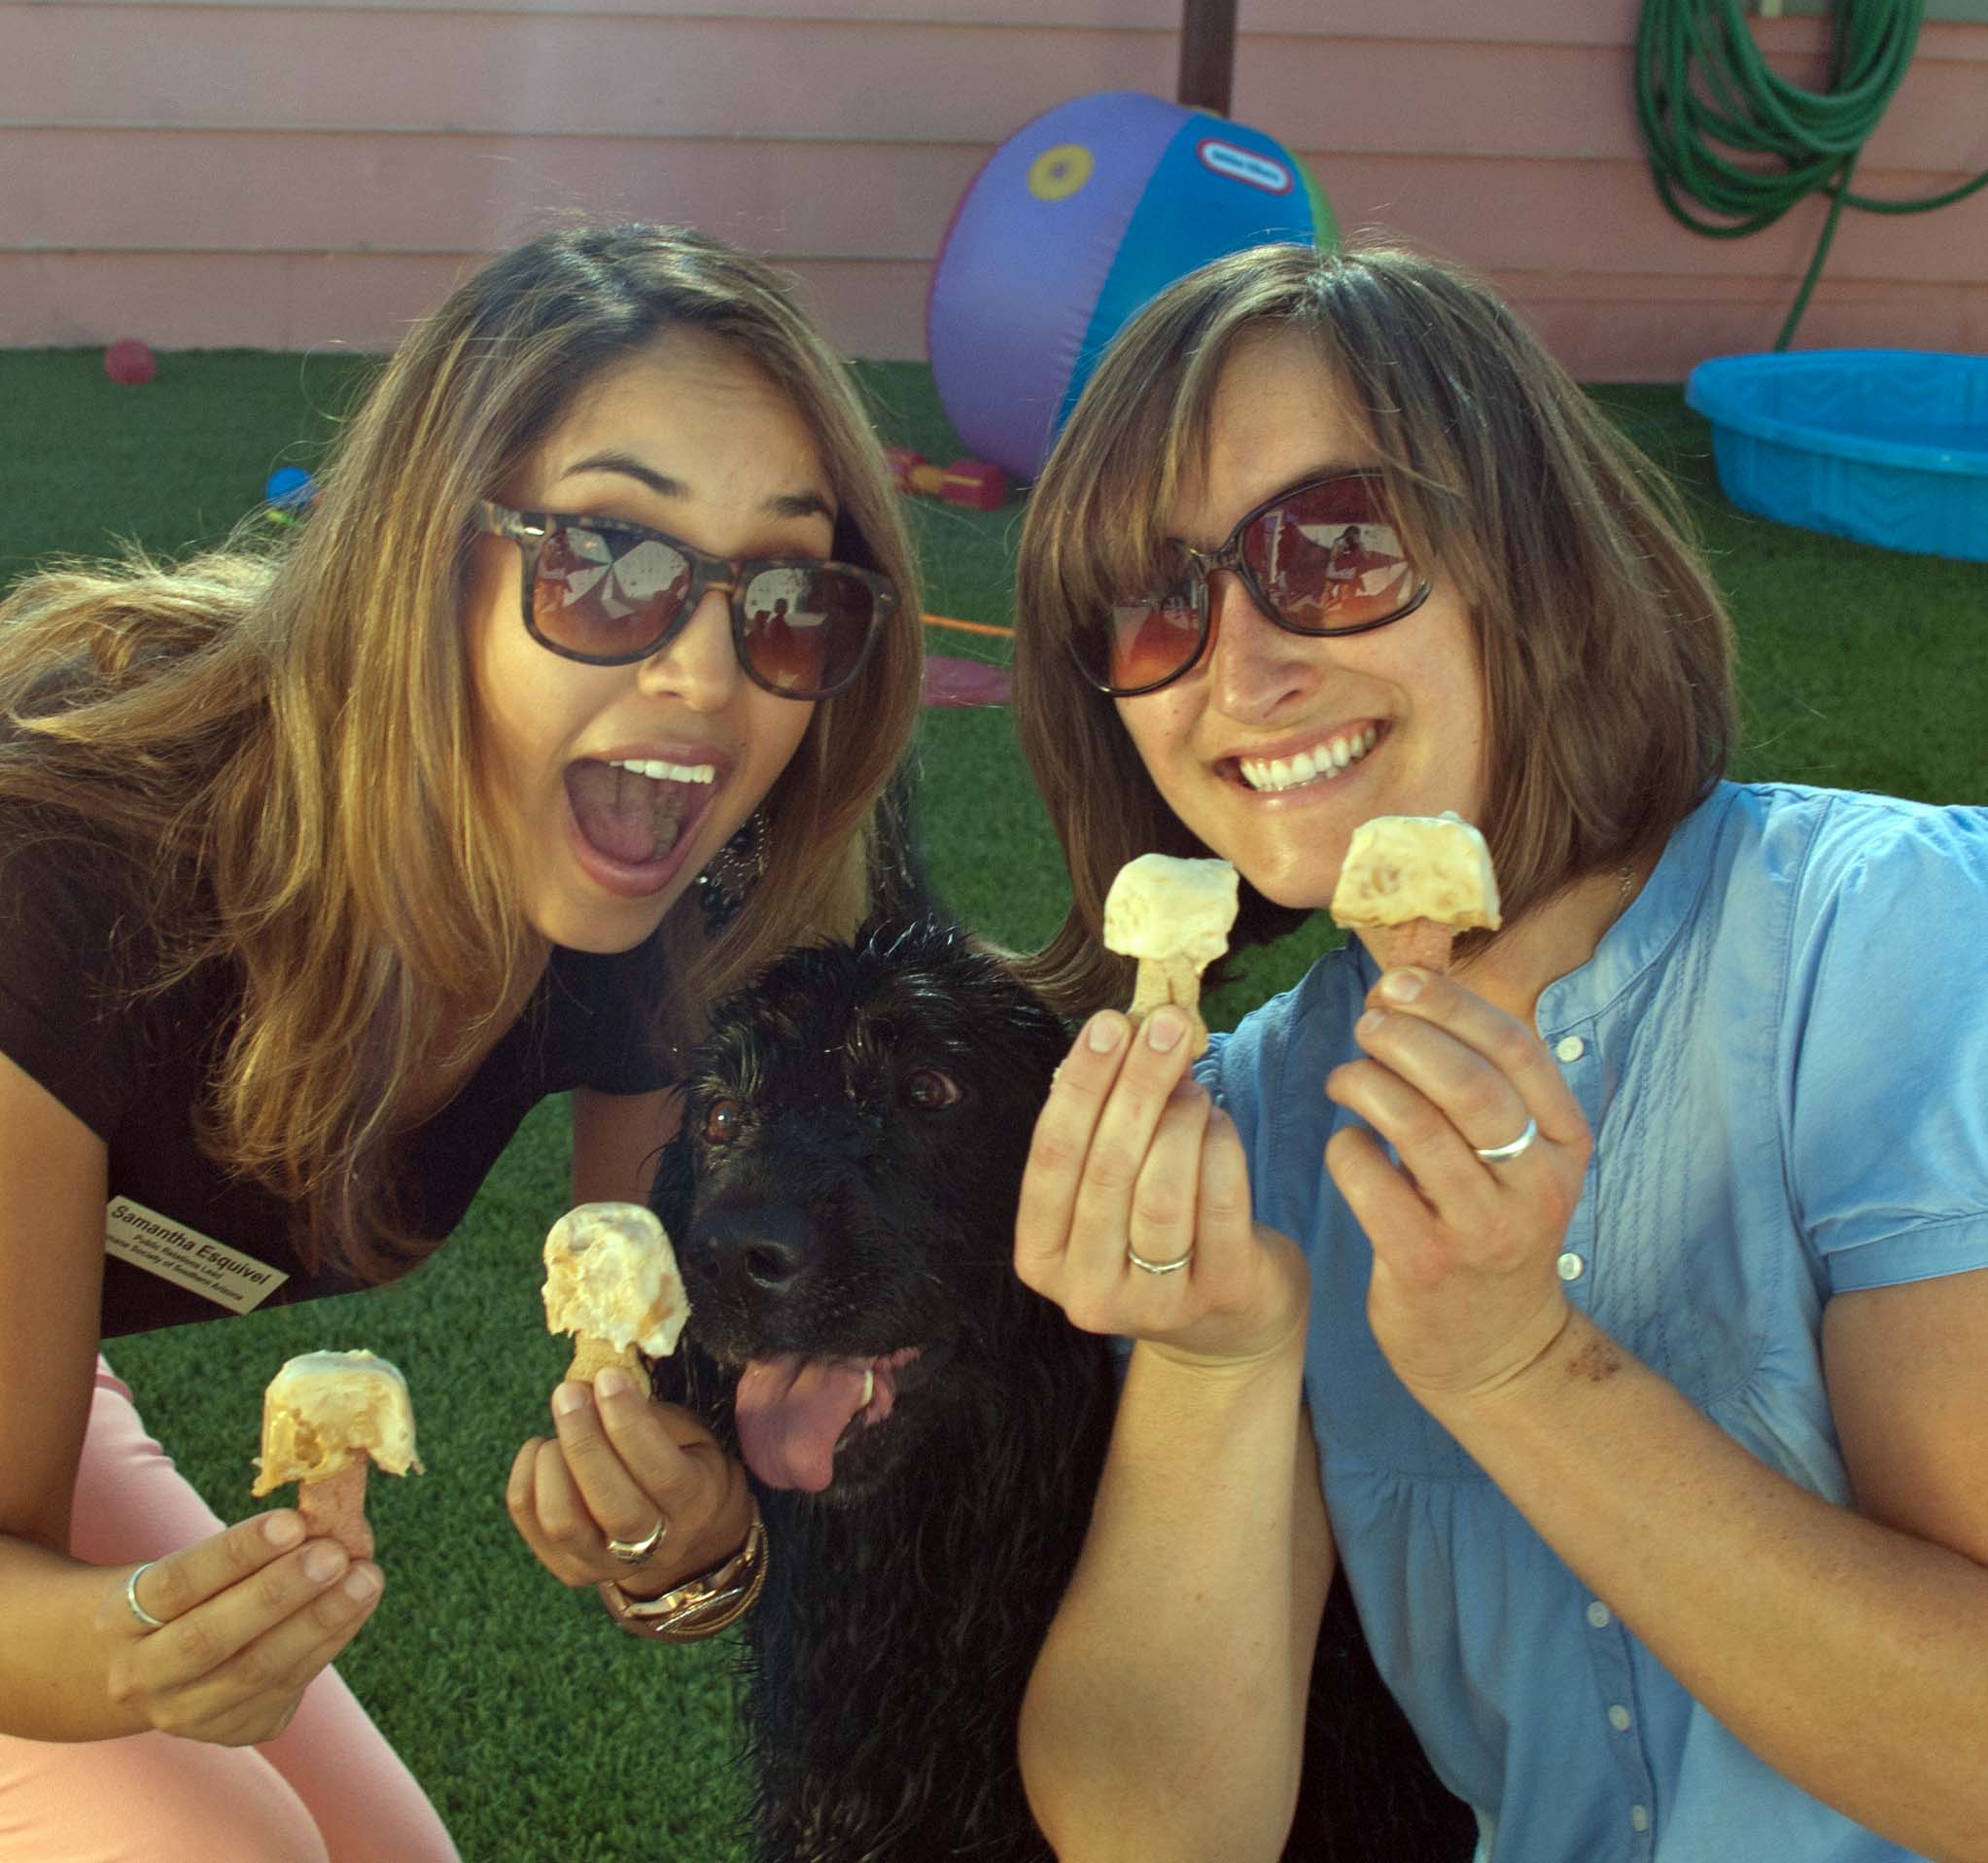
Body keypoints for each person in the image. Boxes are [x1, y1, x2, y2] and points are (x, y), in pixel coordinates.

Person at [1006, 241, 1988, 1862]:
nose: (1239, 672)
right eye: (1152, 606)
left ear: (1523, 553)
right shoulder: (1250, 1125)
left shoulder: (1879, 946)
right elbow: (1155, 1837)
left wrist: (1517, 1371)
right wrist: (1213, 1364)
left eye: (1331, 551)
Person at [0, 220, 924, 1861]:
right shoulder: (72, 873)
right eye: (609, 564)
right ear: (425, 563)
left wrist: (681, 1537)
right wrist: (141, 1645)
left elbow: (677, 1394)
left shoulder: (645, 914)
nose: (708, 675)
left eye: (786, 596)